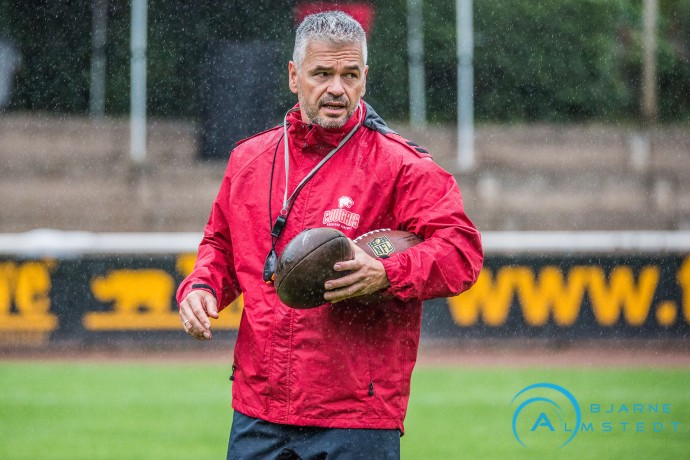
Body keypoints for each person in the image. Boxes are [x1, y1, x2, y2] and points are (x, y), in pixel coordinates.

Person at [177, 10, 483, 460]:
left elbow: (461, 251)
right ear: (294, 76)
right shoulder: (248, 160)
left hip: (357, 416)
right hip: (259, 411)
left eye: (349, 74)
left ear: (364, 79)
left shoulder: (403, 166)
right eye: (322, 73)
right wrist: (202, 286)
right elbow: (221, 245)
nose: (337, 88)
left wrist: (386, 272)